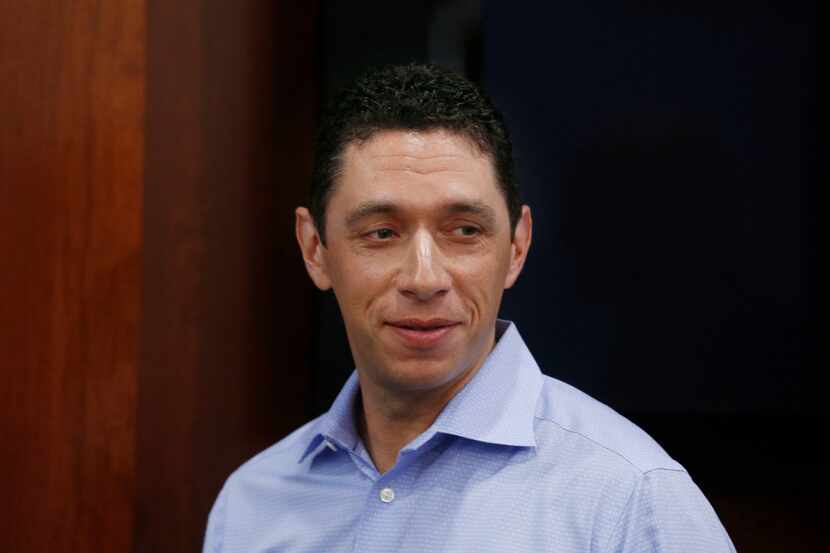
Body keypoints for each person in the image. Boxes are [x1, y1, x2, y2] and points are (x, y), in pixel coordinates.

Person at [202, 63, 735, 553]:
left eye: (465, 231)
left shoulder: (629, 498)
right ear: (315, 249)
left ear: (517, 248)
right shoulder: (252, 504)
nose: (425, 278)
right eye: (382, 232)